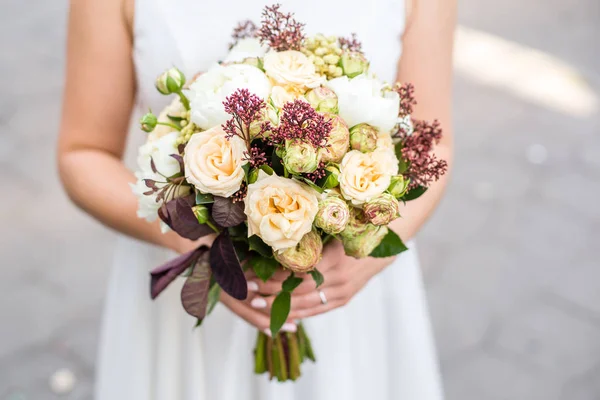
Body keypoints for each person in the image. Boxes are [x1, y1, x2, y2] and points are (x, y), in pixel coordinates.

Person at [58, 0, 455, 398]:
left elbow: (431, 146)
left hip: (347, 290)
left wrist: (367, 256)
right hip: (192, 287)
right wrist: (191, 239)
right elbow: (83, 153)